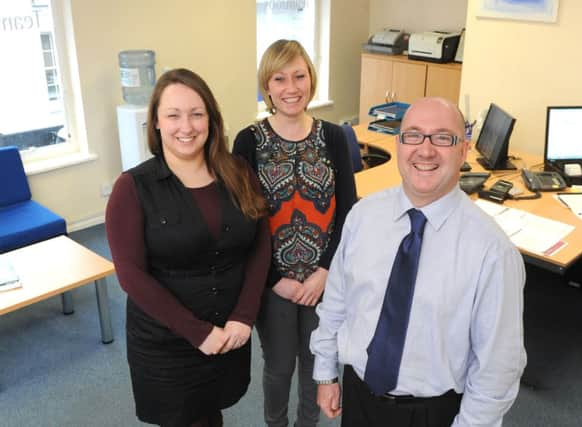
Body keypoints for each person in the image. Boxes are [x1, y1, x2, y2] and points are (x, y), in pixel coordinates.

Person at [310, 97, 527, 427]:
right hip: (359, 396)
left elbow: (498, 366)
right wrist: (326, 372)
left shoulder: (492, 252)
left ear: (463, 149)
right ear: (399, 143)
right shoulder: (363, 217)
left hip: (434, 413)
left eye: (443, 137)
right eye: (413, 135)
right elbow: (337, 302)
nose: (425, 150)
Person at [105, 68, 271, 427]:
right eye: (173, 115)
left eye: (197, 114)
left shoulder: (238, 171)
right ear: (157, 123)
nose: (187, 126)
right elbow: (131, 276)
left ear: (211, 119)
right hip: (168, 341)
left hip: (228, 332)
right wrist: (199, 333)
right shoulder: (132, 188)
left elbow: (260, 244)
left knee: (211, 414)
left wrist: (244, 316)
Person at [232, 39, 357, 427]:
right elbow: (243, 222)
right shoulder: (248, 141)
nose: (291, 87)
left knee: (318, 363)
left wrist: (325, 271)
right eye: (279, 78)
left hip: (325, 278)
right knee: (280, 365)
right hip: (274, 283)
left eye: (299, 75)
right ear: (266, 87)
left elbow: (348, 212)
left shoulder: (334, 137)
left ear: (311, 79)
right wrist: (274, 280)